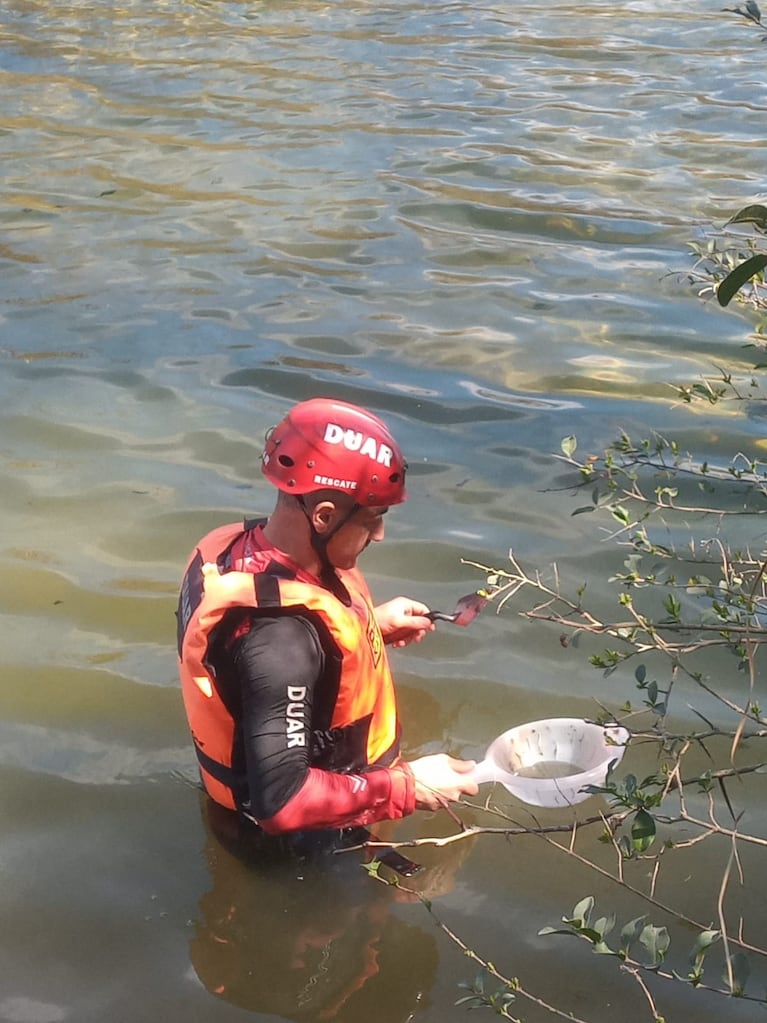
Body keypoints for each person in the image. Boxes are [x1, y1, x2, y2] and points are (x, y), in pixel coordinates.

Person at [176, 396, 478, 837]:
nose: (380, 534)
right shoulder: (280, 644)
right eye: (373, 518)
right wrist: (406, 786)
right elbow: (282, 802)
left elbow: (250, 660)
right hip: (301, 845)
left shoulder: (236, 550)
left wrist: (370, 623)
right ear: (323, 516)